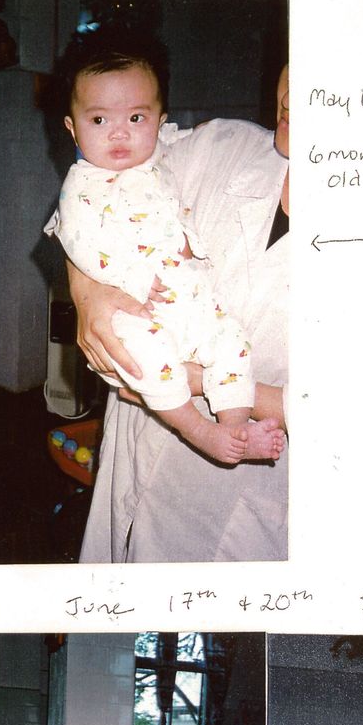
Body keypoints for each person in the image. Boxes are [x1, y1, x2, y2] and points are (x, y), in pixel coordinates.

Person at [69, 61, 290, 561]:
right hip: (135, 443)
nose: (291, 96)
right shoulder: (221, 146)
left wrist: (202, 380)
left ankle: (225, 428)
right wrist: (89, 290)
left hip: (238, 504)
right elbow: (101, 170)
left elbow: (358, 415)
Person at [48, 34, 284, 467]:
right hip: (134, 310)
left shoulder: (154, 157)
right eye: (98, 120)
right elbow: (74, 236)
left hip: (186, 301)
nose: (120, 132)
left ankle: (235, 427)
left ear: (159, 123)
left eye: (136, 117)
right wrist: (92, 290)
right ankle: (199, 430)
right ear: (71, 127)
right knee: (150, 360)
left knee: (231, 342)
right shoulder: (82, 184)